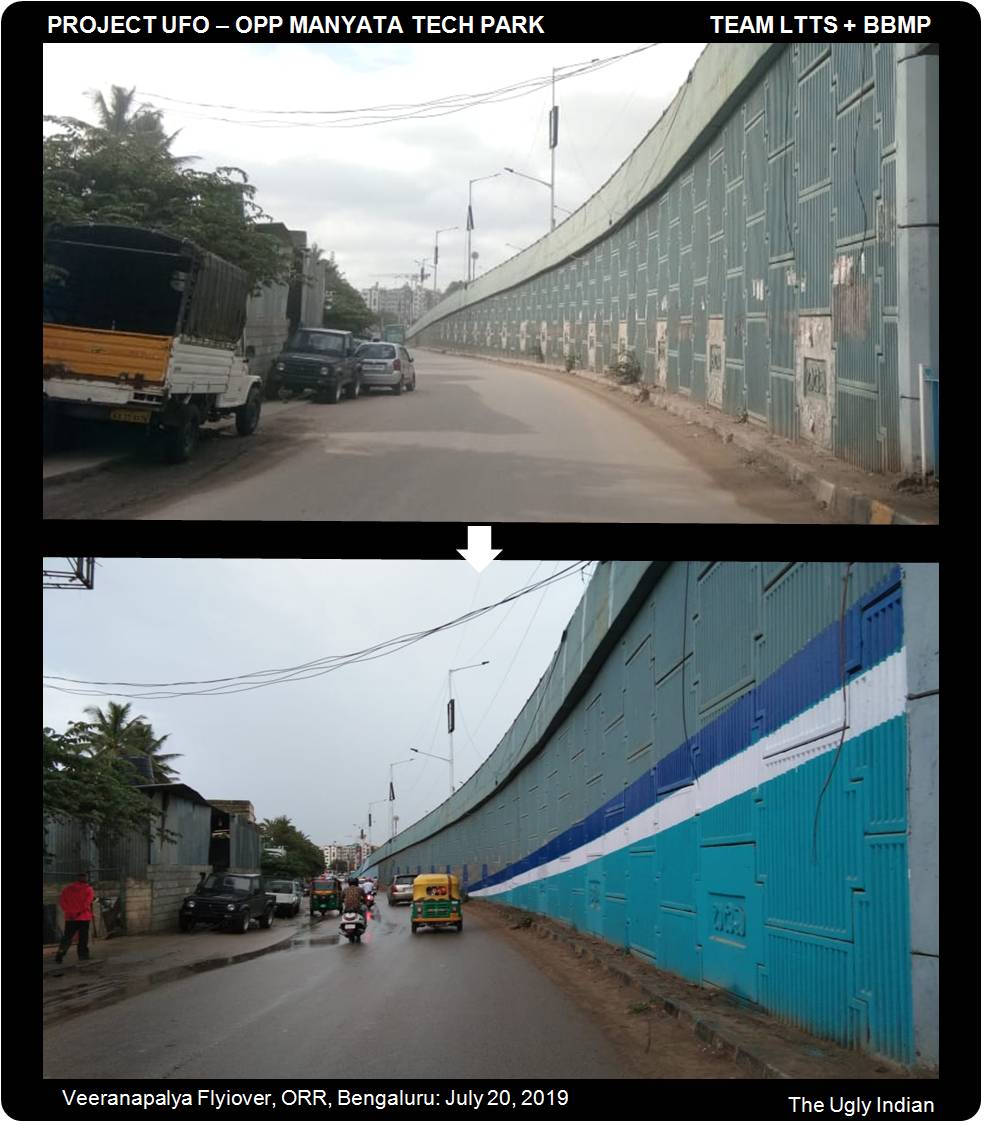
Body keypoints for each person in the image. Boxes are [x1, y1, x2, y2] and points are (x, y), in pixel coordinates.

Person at [55, 873, 94, 963]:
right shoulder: (88, 889)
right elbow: (87, 903)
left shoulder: (67, 889)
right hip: (83, 917)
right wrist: (78, 912)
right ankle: (83, 956)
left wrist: (70, 912)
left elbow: (62, 902)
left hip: (70, 918)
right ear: (85, 878)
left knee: (67, 937)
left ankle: (60, 954)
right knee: (83, 938)